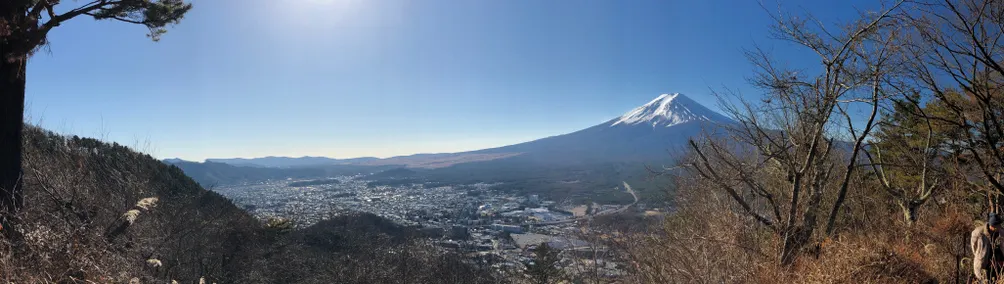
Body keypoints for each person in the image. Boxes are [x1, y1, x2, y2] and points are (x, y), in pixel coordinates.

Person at [973, 212, 1004, 283]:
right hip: (984, 264)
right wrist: (980, 255)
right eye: (997, 225)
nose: (999, 227)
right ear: (991, 225)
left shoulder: (1002, 232)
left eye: (999, 225)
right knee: (985, 280)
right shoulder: (978, 233)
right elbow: (974, 247)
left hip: (999, 263)